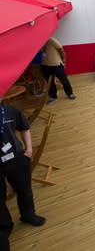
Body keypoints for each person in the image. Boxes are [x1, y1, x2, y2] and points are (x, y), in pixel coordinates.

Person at [0, 102, 46, 251]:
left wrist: (29, 150)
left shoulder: (11, 111)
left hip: (16, 157)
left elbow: (24, 128)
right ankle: (4, 225)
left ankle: (28, 214)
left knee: (24, 189)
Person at [41, 37, 76, 104]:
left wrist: (64, 61)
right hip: (45, 65)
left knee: (63, 80)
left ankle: (70, 94)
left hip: (56, 64)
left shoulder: (53, 41)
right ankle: (53, 96)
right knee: (50, 82)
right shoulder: (40, 41)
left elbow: (61, 51)